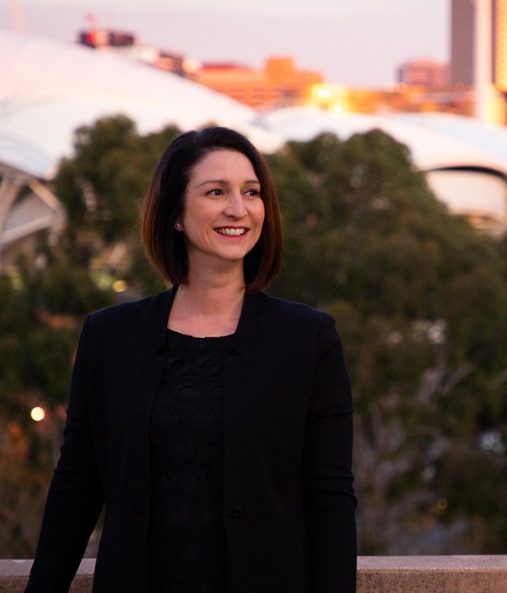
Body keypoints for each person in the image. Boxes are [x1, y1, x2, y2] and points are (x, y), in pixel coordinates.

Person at [25, 127, 357, 592]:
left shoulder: (308, 339)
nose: (238, 209)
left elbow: (331, 500)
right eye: (216, 192)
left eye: (252, 192)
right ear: (176, 213)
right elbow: (77, 485)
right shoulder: (110, 337)